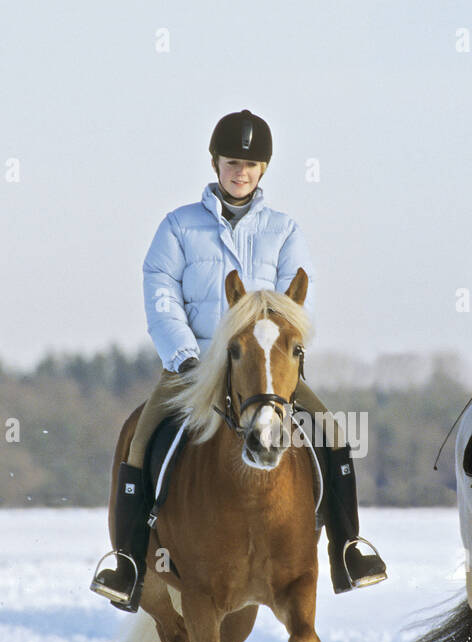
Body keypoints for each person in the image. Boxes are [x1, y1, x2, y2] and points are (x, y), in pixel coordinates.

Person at [91, 109, 387, 612]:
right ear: (215, 163)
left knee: (331, 431)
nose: (240, 173)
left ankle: (347, 548)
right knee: (140, 438)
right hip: (193, 367)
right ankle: (128, 562)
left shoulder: (284, 229)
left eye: (250, 165)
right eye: (232, 163)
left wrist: (282, 353)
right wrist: (185, 357)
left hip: (264, 372)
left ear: (264, 170)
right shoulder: (179, 227)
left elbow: (299, 304)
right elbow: (160, 294)